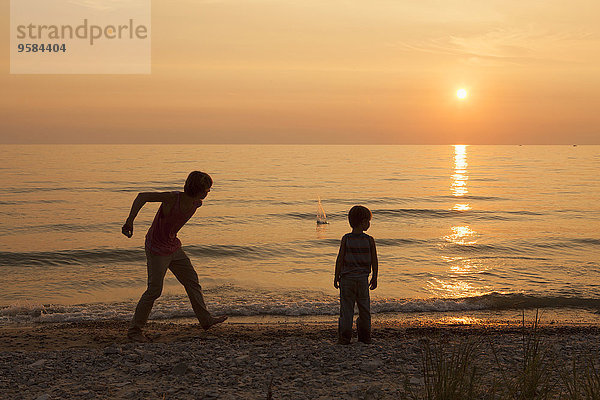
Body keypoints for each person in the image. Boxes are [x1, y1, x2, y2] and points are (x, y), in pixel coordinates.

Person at [122, 171, 227, 342]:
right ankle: (135, 331)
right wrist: (129, 221)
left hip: (173, 247)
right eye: (207, 189)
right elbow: (142, 196)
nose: (209, 192)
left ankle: (206, 320)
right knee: (154, 290)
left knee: (192, 280)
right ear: (198, 189)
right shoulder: (173, 198)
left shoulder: (196, 203)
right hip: (156, 248)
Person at [334, 205, 378, 345]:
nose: (369, 224)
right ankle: (365, 337)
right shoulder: (369, 240)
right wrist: (375, 276)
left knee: (346, 309)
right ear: (364, 222)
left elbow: (340, 258)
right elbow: (374, 260)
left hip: (347, 279)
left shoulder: (346, 239)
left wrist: (336, 275)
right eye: (368, 221)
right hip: (362, 280)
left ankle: (345, 337)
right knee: (364, 308)